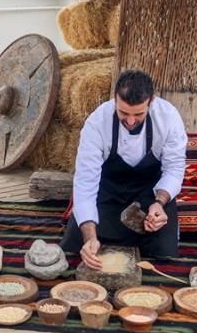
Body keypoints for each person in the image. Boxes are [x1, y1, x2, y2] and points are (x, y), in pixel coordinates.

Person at [61, 69, 187, 269]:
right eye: (123, 113)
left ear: (151, 102)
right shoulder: (96, 123)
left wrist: (159, 204)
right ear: (115, 100)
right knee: (77, 242)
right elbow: (85, 182)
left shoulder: (169, 118)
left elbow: (174, 168)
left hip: (148, 199)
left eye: (138, 114)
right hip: (108, 196)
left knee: (164, 250)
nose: (130, 121)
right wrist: (89, 236)